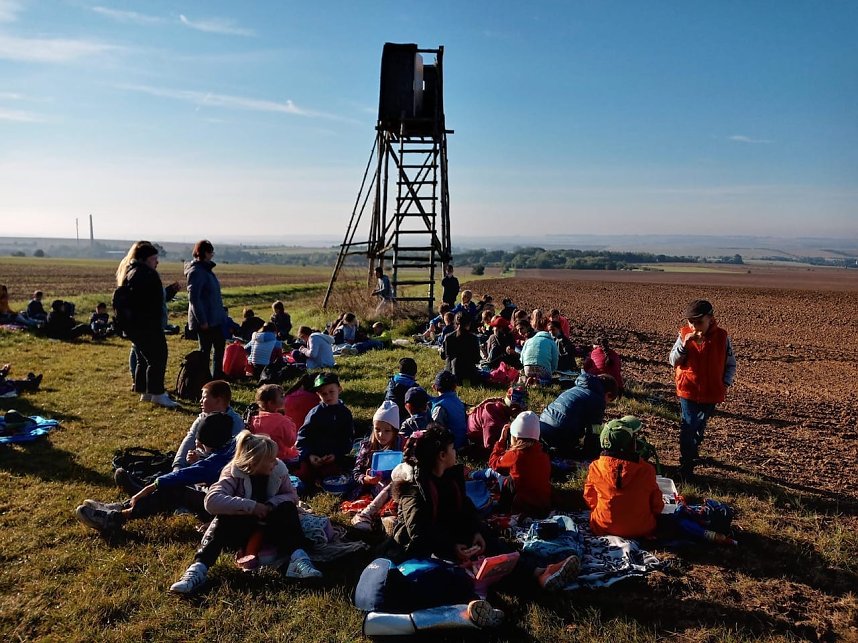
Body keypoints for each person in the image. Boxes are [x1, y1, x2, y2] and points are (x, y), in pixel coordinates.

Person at [390, 426, 580, 591]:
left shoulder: (449, 478)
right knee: (469, 566)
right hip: (424, 548)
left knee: (491, 542)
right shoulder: (414, 490)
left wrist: (476, 531)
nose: (455, 452)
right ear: (442, 456)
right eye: (452, 448)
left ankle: (540, 572)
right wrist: (451, 547)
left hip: (449, 536)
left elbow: (465, 509)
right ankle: (534, 577)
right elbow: (419, 535)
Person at [169, 431, 321, 594]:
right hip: (241, 528)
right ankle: (198, 569)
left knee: (287, 509)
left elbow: (292, 496)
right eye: (270, 459)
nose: (275, 462)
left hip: (271, 526)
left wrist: (271, 504)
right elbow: (211, 501)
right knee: (224, 518)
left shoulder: (278, 470)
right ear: (255, 462)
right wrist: (251, 506)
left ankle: (298, 559)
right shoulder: (233, 472)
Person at [75, 413, 236, 535]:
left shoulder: (216, 461)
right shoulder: (234, 445)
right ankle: (123, 506)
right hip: (225, 501)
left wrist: (148, 489)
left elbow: (182, 475)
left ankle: (116, 518)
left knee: (173, 489)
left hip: (226, 506)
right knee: (172, 485)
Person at [668, 299, 736, 478]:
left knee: (700, 425)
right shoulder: (684, 335)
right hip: (688, 390)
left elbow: (731, 364)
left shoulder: (722, 337)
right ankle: (686, 464)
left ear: (710, 319)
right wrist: (684, 345)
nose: (694, 326)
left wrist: (725, 383)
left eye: (699, 322)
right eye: (691, 322)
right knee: (688, 425)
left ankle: (693, 449)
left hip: (711, 392)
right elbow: (673, 360)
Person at [115, 241, 178, 408]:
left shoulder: (131, 272)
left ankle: (145, 392)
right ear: (144, 259)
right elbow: (150, 302)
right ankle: (157, 394)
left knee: (143, 360)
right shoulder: (146, 274)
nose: (157, 262)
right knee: (158, 358)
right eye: (154, 258)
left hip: (136, 326)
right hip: (148, 325)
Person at [583, 420, 664, 538]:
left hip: (602, 526)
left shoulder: (595, 467)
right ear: (632, 444)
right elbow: (657, 505)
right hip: (642, 528)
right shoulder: (647, 470)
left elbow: (590, 498)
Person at [350, 401, 406, 530]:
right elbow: (356, 472)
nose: (381, 435)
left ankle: (380, 517)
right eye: (377, 430)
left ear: (395, 431)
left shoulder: (401, 446)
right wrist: (366, 479)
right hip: (372, 489)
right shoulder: (368, 446)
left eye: (387, 431)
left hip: (394, 489)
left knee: (396, 484)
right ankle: (367, 514)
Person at [487, 411, 552, 518]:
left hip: (522, 506)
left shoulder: (515, 455)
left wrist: (501, 441)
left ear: (516, 437)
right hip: (543, 504)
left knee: (509, 480)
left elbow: (493, 463)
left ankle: (503, 507)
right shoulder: (543, 454)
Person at [538, 372, 619, 457]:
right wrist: (590, 452)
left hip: (543, 425)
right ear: (608, 394)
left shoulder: (576, 388)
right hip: (560, 433)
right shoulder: (598, 400)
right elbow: (593, 431)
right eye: (608, 401)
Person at [294, 372, 354, 484]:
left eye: (331, 392)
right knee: (302, 473)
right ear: (318, 395)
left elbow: (347, 438)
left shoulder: (345, 413)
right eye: (323, 394)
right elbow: (302, 437)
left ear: (339, 390)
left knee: (338, 473)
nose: (328, 396)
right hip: (314, 456)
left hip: (334, 456)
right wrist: (309, 455)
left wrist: (336, 454)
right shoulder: (315, 414)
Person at [172, 380, 245, 472]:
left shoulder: (236, 422)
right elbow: (190, 439)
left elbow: (234, 453)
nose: (200, 401)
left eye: (204, 397)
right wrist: (178, 465)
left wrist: (202, 462)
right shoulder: (203, 417)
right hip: (197, 463)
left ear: (218, 400)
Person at [186, 239, 226, 379]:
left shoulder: (206, 270)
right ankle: (204, 377)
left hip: (214, 318)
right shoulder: (197, 272)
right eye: (210, 252)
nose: (212, 255)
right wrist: (202, 320)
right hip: (206, 320)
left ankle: (217, 375)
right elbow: (194, 299)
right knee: (205, 350)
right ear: (203, 253)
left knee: (219, 346)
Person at [466, 386, 528, 454]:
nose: (520, 413)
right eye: (519, 410)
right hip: (476, 441)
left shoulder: (498, 406)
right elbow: (490, 449)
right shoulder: (493, 421)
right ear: (513, 408)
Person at [248, 384, 299, 463]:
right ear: (271, 403)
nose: (284, 398)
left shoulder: (253, 418)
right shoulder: (282, 421)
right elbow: (291, 442)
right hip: (280, 458)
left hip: (259, 456)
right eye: (281, 397)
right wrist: (291, 424)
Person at [441, 312, 482, 386]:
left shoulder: (448, 337)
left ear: (455, 323)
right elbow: (477, 359)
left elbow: (445, 357)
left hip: (452, 374)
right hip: (470, 375)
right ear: (469, 324)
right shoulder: (474, 338)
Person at [429, 370, 467, 450]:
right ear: (455, 386)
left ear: (434, 387)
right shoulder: (458, 401)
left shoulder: (439, 407)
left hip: (450, 448)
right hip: (462, 442)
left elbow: (435, 431)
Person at [384, 357, 419, 421]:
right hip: (402, 418)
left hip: (386, 414)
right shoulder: (414, 388)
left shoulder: (392, 380)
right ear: (415, 372)